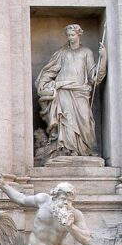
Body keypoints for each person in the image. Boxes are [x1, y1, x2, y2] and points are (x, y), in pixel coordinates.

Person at [36, 24, 107, 159]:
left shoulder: (86, 52)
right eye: (68, 35)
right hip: (63, 91)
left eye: (72, 35)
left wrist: (103, 58)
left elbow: (94, 77)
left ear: (79, 35)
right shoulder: (62, 53)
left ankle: (84, 150)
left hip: (80, 92)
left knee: (85, 120)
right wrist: (43, 82)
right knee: (66, 120)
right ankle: (67, 150)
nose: (70, 38)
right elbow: (50, 71)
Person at [0, 180, 91, 245]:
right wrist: (4, 186)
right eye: (63, 199)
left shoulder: (75, 214)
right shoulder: (43, 200)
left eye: (69, 201)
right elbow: (21, 199)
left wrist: (71, 227)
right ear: (55, 196)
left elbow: (86, 240)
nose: (66, 203)